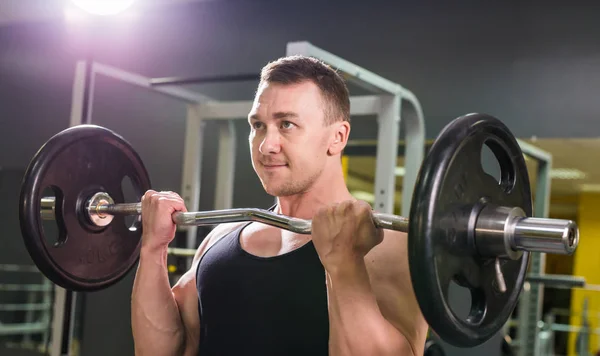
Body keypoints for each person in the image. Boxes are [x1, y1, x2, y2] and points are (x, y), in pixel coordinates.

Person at [131, 55, 429, 355]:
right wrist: (152, 249)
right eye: (258, 125)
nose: (265, 145)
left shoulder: (391, 246)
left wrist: (345, 267)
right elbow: (163, 350)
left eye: (286, 124)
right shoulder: (220, 238)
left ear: (337, 137)